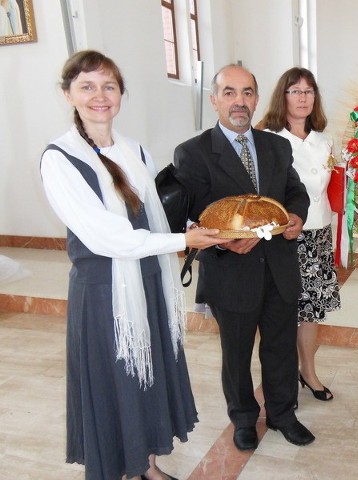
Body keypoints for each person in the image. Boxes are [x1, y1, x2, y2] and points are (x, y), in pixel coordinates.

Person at [40, 50, 230, 480]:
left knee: (147, 374)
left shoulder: (134, 149)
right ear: (68, 94)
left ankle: (147, 467)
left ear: (121, 93)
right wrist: (183, 240)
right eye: (87, 86)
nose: (99, 96)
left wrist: (192, 225)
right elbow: (107, 236)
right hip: (106, 289)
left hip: (147, 278)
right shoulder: (61, 158)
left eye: (109, 86)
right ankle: (120, 469)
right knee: (118, 383)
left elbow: (151, 214)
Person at [173, 64, 314, 450]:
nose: (240, 101)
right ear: (214, 99)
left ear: (256, 98)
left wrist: (297, 216)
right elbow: (191, 217)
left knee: (281, 348)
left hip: (279, 267)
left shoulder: (276, 146)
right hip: (230, 272)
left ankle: (284, 414)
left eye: (248, 92)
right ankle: (243, 419)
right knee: (236, 354)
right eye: (230, 92)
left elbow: (294, 191)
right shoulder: (193, 153)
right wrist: (221, 242)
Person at [258, 67, 341, 402]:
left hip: (318, 235)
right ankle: (280, 377)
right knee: (281, 311)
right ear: (283, 95)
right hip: (283, 237)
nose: (303, 98)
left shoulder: (325, 140)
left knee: (311, 311)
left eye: (309, 91)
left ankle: (308, 371)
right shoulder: (267, 138)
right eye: (295, 91)